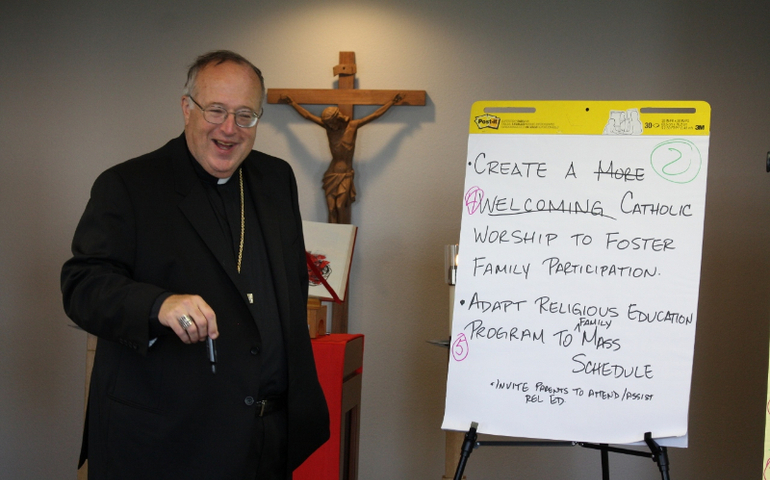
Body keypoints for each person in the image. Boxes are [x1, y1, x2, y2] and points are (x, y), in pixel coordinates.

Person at [61, 50, 329, 480]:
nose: (229, 129)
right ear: (187, 108)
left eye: (246, 115)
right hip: (167, 443)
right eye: (216, 110)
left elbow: (290, 285)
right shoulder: (129, 185)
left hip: (266, 438)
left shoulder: (275, 179)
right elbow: (82, 285)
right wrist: (157, 305)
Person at [279, 93, 403, 224]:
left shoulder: (353, 126)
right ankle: (332, 238)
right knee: (331, 209)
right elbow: (308, 116)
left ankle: (344, 234)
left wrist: (391, 102)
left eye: (332, 123)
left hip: (345, 175)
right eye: (328, 124)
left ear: (338, 118)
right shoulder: (329, 129)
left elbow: (375, 115)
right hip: (331, 174)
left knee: (340, 206)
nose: (331, 126)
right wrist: (292, 103)